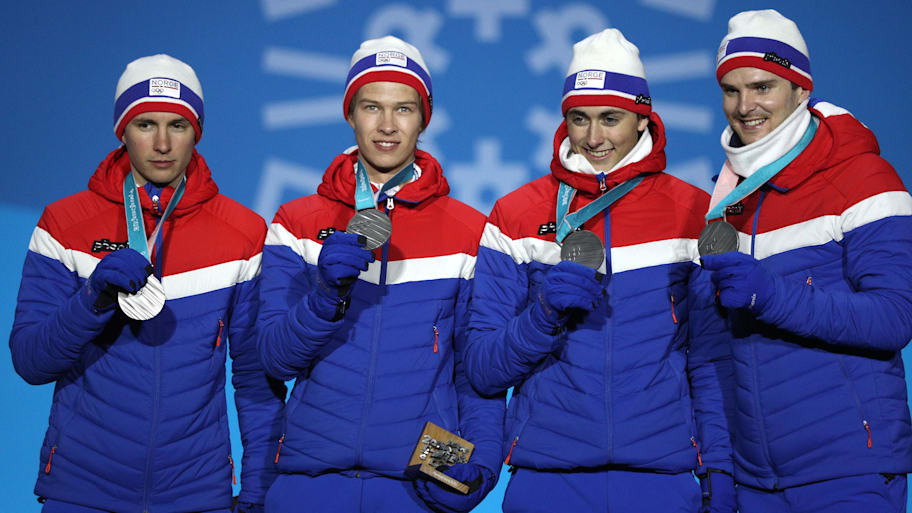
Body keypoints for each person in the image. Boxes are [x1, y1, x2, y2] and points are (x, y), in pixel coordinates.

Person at [464, 29, 735, 513]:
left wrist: (720, 468)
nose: (593, 138)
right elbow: (483, 369)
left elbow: (710, 360)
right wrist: (543, 313)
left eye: (610, 119)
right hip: (547, 475)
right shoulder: (516, 214)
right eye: (579, 118)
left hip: (662, 476)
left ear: (642, 117)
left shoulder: (693, 211)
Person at [9, 54, 285, 513]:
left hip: (196, 495)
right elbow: (30, 362)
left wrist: (258, 490)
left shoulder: (243, 231)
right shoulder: (64, 223)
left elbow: (256, 380)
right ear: (121, 131)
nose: (161, 143)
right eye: (145, 124)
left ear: (197, 132)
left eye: (177, 125)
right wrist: (93, 300)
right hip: (82, 492)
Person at [256, 36, 504, 513]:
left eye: (404, 109)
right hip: (309, 482)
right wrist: (324, 296)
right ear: (350, 114)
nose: (387, 126)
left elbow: (475, 375)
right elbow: (272, 359)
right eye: (372, 106)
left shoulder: (469, 230)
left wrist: (482, 464)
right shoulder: (297, 222)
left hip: (414, 488)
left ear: (423, 118)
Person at [701, 9, 912, 512]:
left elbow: (895, 317)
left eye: (762, 87)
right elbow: (717, 349)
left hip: (847, 469)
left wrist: (770, 295)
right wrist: (722, 467)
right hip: (755, 479)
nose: (745, 106)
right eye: (731, 90)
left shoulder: (864, 177)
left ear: (800, 89)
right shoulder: (726, 196)